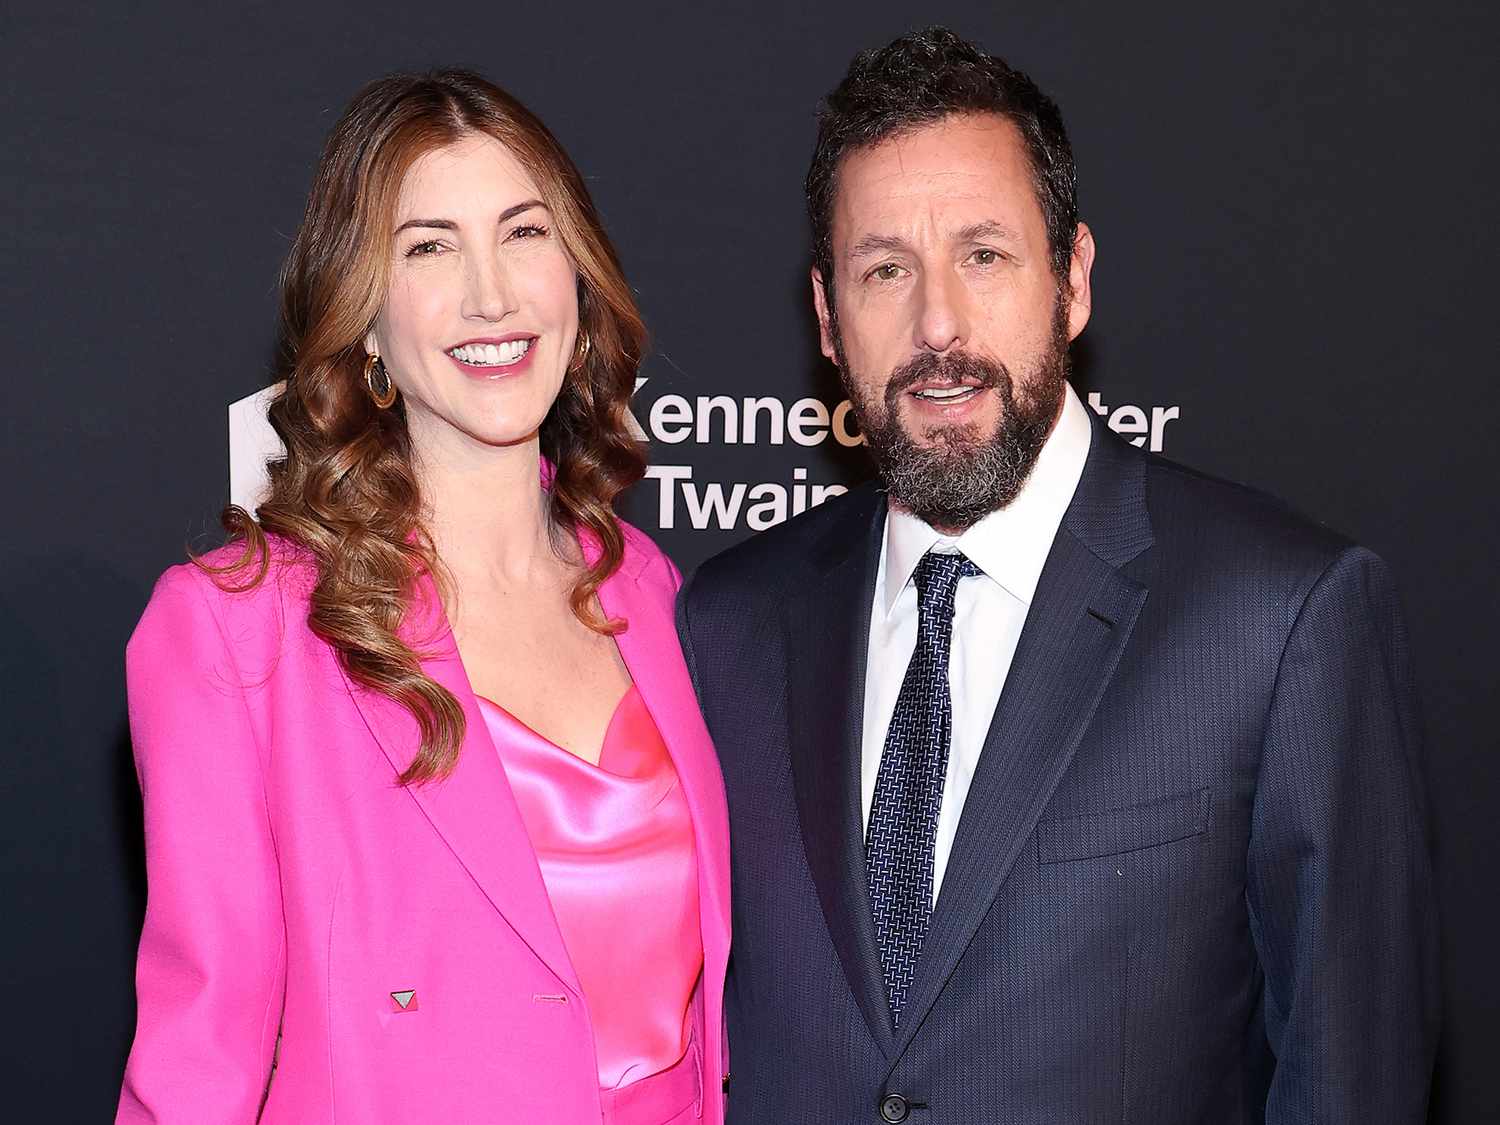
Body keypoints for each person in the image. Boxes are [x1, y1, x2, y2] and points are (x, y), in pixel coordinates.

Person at [677, 27, 1437, 1124]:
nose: (937, 324)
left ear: (1071, 280)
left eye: (984, 256)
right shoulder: (729, 624)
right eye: (884, 269)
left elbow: (1352, 1082)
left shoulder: (1280, 618)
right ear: (827, 319)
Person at [117, 70, 728, 1125]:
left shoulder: (655, 592)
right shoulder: (239, 631)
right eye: (429, 246)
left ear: (577, 280)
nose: (493, 294)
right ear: (364, 320)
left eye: (525, 233)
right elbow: (199, 1061)